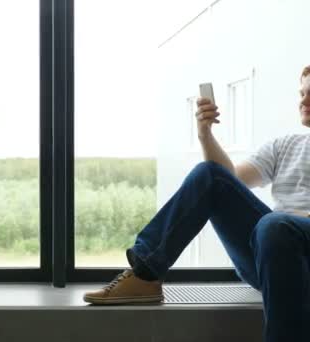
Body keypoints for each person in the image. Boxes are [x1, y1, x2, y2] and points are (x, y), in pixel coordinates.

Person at [83, 66, 310, 342]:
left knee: (274, 224)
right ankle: (145, 273)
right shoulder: (286, 145)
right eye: (301, 93)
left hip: (294, 243)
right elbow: (229, 181)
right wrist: (205, 134)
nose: (303, 101)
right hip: (272, 253)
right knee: (209, 175)